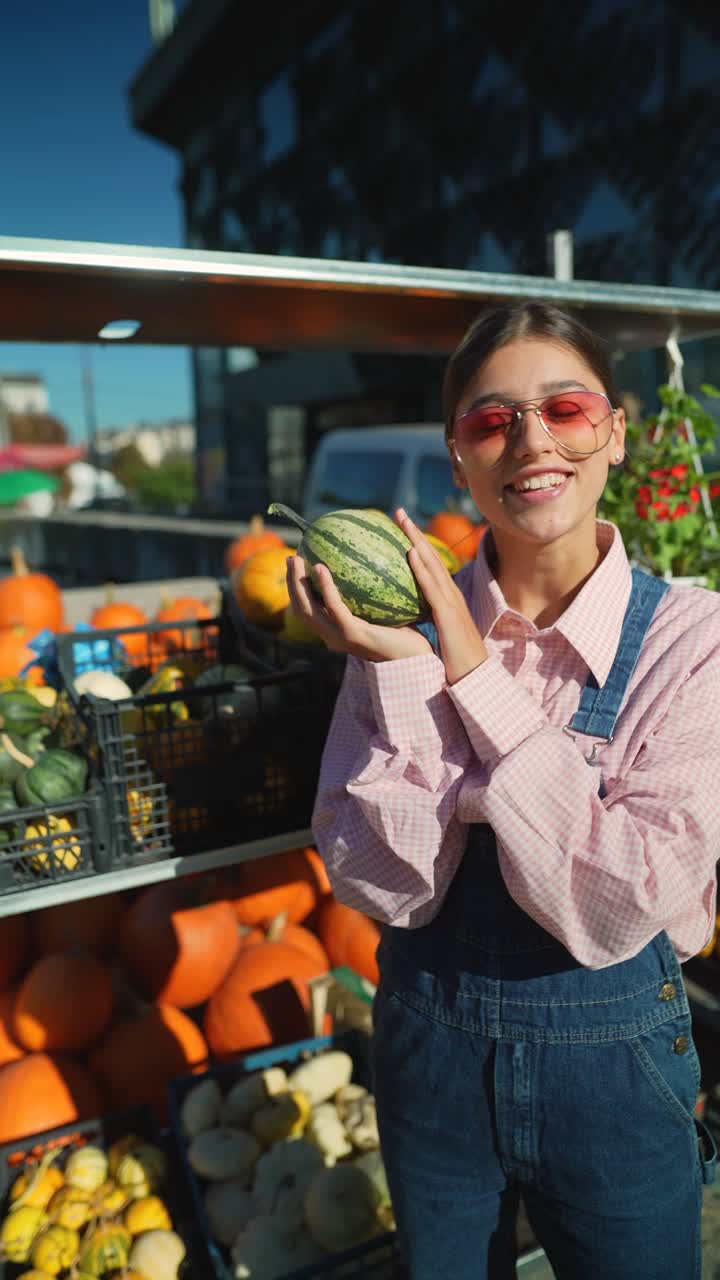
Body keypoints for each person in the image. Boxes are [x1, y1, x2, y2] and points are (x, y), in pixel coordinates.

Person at [286, 302, 720, 1280]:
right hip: (430, 1061)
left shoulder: (695, 643)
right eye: (492, 420)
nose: (530, 440)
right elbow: (387, 887)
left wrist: (473, 676)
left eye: (565, 408)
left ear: (614, 431)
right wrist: (404, 667)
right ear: (458, 456)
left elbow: (620, 901)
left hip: (617, 1081)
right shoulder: (392, 629)